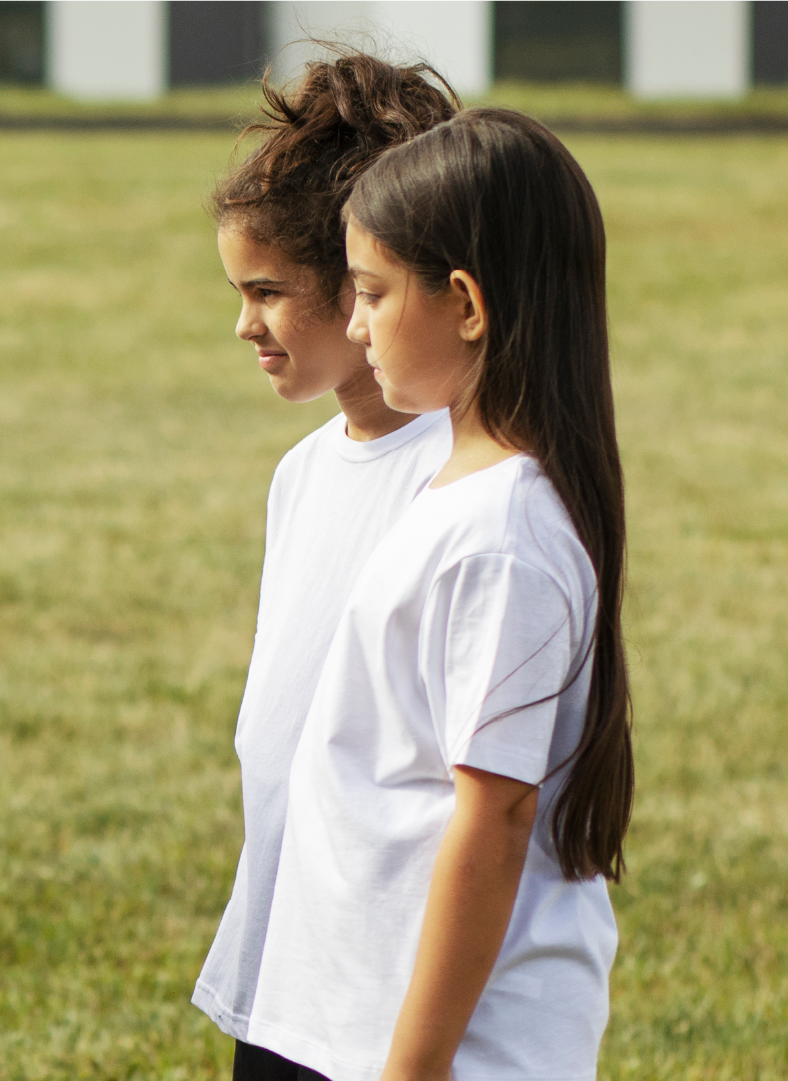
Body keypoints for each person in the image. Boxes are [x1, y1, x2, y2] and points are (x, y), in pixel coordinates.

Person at [243, 108, 635, 1080]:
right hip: (355, 1024)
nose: (356, 321)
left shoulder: (504, 536)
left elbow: (492, 822)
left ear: (465, 302)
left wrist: (411, 1068)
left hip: (455, 1052)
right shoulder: (455, 494)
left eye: (371, 292)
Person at [194, 48, 459, 1080]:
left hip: (385, 996)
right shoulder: (303, 475)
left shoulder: (456, 477)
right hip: (285, 975)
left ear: (360, 287)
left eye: (266, 291)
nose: (243, 324)